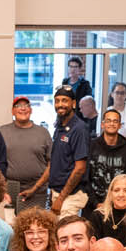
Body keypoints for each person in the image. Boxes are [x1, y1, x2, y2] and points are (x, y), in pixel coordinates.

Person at [45, 86, 91, 216]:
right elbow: (53, 164)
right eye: (57, 101)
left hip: (71, 196)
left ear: (74, 104)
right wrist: (34, 189)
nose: (60, 104)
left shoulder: (79, 129)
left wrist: (60, 199)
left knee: (66, 229)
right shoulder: (59, 127)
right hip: (57, 193)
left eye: (64, 100)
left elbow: (80, 169)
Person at [84, 109, 126, 213]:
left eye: (115, 121)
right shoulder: (91, 146)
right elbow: (85, 178)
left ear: (120, 126)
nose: (112, 124)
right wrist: (96, 203)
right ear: (102, 125)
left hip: (120, 206)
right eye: (108, 121)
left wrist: (119, 203)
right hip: (92, 206)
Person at [1, 96, 51, 209]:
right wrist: (1, 188)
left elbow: (51, 164)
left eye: (26, 106)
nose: (23, 108)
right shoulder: (2, 132)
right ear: (12, 111)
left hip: (37, 190)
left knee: (34, 220)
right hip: (8, 190)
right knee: (8, 220)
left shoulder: (43, 133)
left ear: (31, 110)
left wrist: (35, 188)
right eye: (18, 106)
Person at [86, 172, 126, 247]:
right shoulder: (98, 215)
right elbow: (93, 245)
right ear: (110, 194)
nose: (121, 195)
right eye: (116, 190)